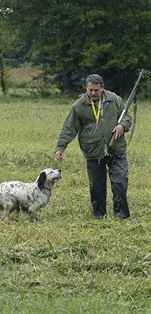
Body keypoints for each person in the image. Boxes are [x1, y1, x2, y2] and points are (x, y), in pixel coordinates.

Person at [55, 74, 132, 219]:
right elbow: (69, 128)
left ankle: (122, 216)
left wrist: (122, 125)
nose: (93, 93)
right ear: (86, 88)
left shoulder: (114, 99)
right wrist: (60, 147)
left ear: (102, 88)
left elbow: (127, 116)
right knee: (96, 187)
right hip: (93, 151)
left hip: (116, 149)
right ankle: (99, 216)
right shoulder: (79, 106)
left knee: (120, 183)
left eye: (96, 90)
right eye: (90, 90)